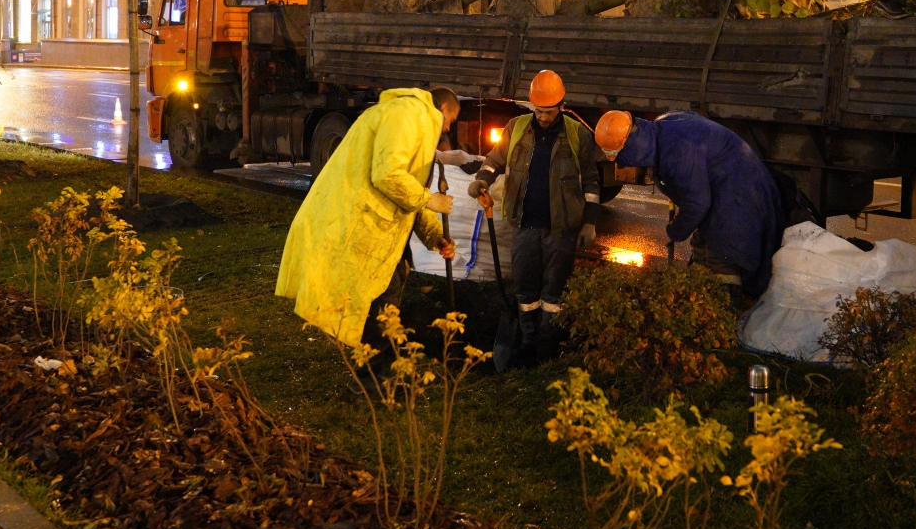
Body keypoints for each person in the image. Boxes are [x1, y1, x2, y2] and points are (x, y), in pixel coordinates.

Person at [274, 86, 459, 347]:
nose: (448, 129)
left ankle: (377, 369)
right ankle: (378, 374)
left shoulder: (408, 116)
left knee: (385, 296)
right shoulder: (409, 115)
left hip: (378, 226)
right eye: (450, 120)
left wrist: (435, 237)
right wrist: (430, 200)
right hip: (365, 226)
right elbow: (388, 175)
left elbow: (407, 187)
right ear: (443, 109)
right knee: (382, 299)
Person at [469, 70, 600, 353]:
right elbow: (494, 160)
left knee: (553, 292)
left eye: (549, 111)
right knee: (525, 289)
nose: (543, 117)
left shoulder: (577, 135)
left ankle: (547, 344)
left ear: (562, 106)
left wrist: (589, 222)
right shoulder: (515, 128)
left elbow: (591, 182)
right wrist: (483, 179)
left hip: (562, 229)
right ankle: (527, 341)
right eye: (539, 110)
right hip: (525, 226)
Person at [593, 110, 781, 301]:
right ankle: (701, 302)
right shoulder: (661, 129)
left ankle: (720, 315)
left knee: (721, 257)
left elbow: (697, 203)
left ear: (629, 148)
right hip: (728, 191)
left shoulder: (676, 150)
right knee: (701, 245)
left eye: (620, 158)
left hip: (738, 200)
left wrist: (673, 232)